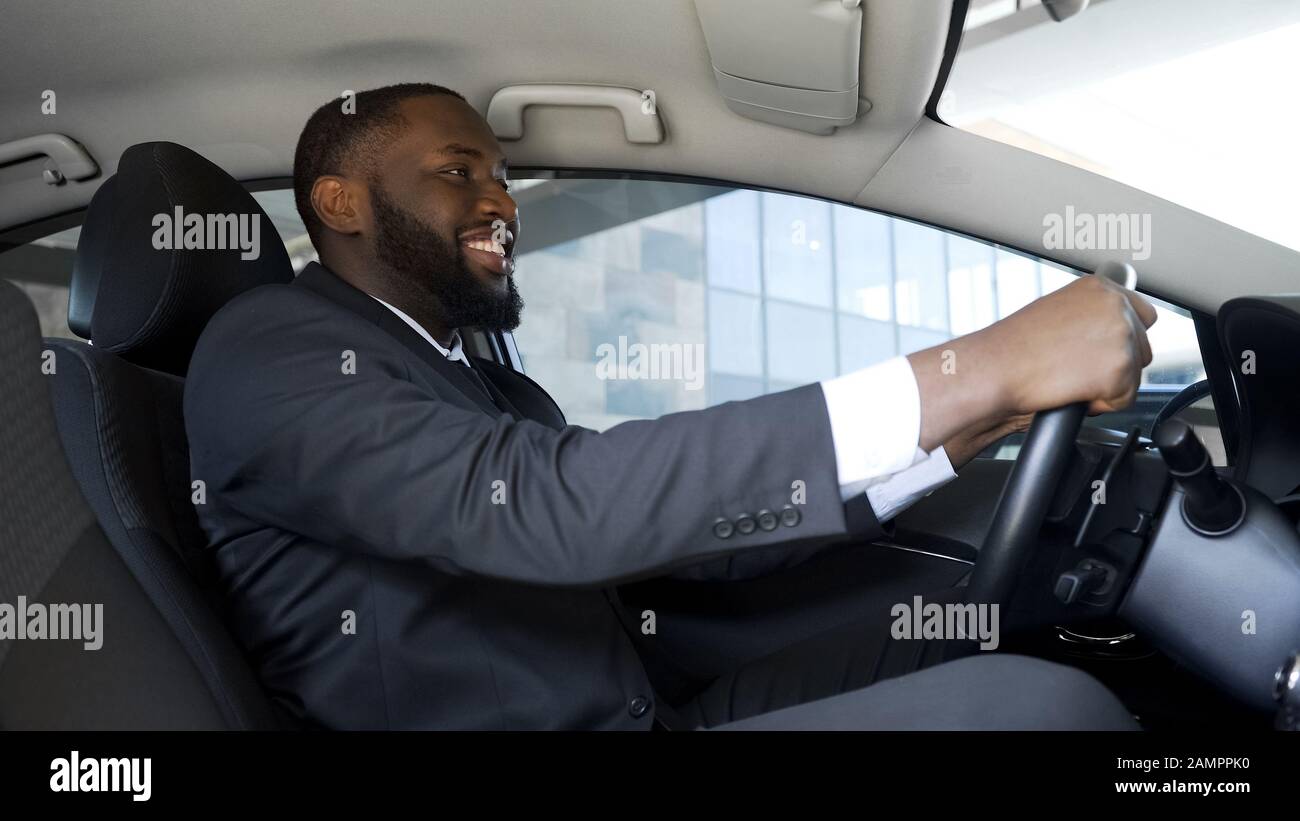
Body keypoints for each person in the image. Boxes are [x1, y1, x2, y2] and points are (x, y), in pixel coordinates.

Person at [183, 83, 1154, 730]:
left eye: (501, 175)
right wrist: (976, 366)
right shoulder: (270, 349)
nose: (501, 201)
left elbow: (678, 540)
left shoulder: (483, 378)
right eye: (457, 172)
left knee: (973, 628)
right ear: (342, 203)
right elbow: (545, 509)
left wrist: (970, 428)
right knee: (1038, 713)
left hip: (639, 699)